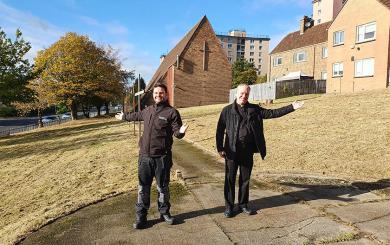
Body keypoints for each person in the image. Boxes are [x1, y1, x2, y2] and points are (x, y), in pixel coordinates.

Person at [216, 84, 304, 218]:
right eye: (241, 93)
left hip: (247, 151)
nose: (244, 96)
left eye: (246, 94)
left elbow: (273, 113)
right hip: (231, 152)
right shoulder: (226, 111)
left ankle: (243, 204)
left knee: (245, 179)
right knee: (230, 179)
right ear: (236, 93)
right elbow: (220, 130)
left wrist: (291, 107)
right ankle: (229, 207)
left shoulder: (254, 109)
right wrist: (220, 148)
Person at [115, 83, 188, 229]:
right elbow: (135, 116)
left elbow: (176, 132)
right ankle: (141, 217)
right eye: (156, 93)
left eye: (161, 93)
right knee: (143, 188)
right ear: (153, 94)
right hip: (145, 158)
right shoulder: (148, 110)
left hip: (162, 158)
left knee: (163, 187)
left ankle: (164, 213)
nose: (158, 95)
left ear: (166, 94)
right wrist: (124, 117)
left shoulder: (172, 112)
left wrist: (181, 132)